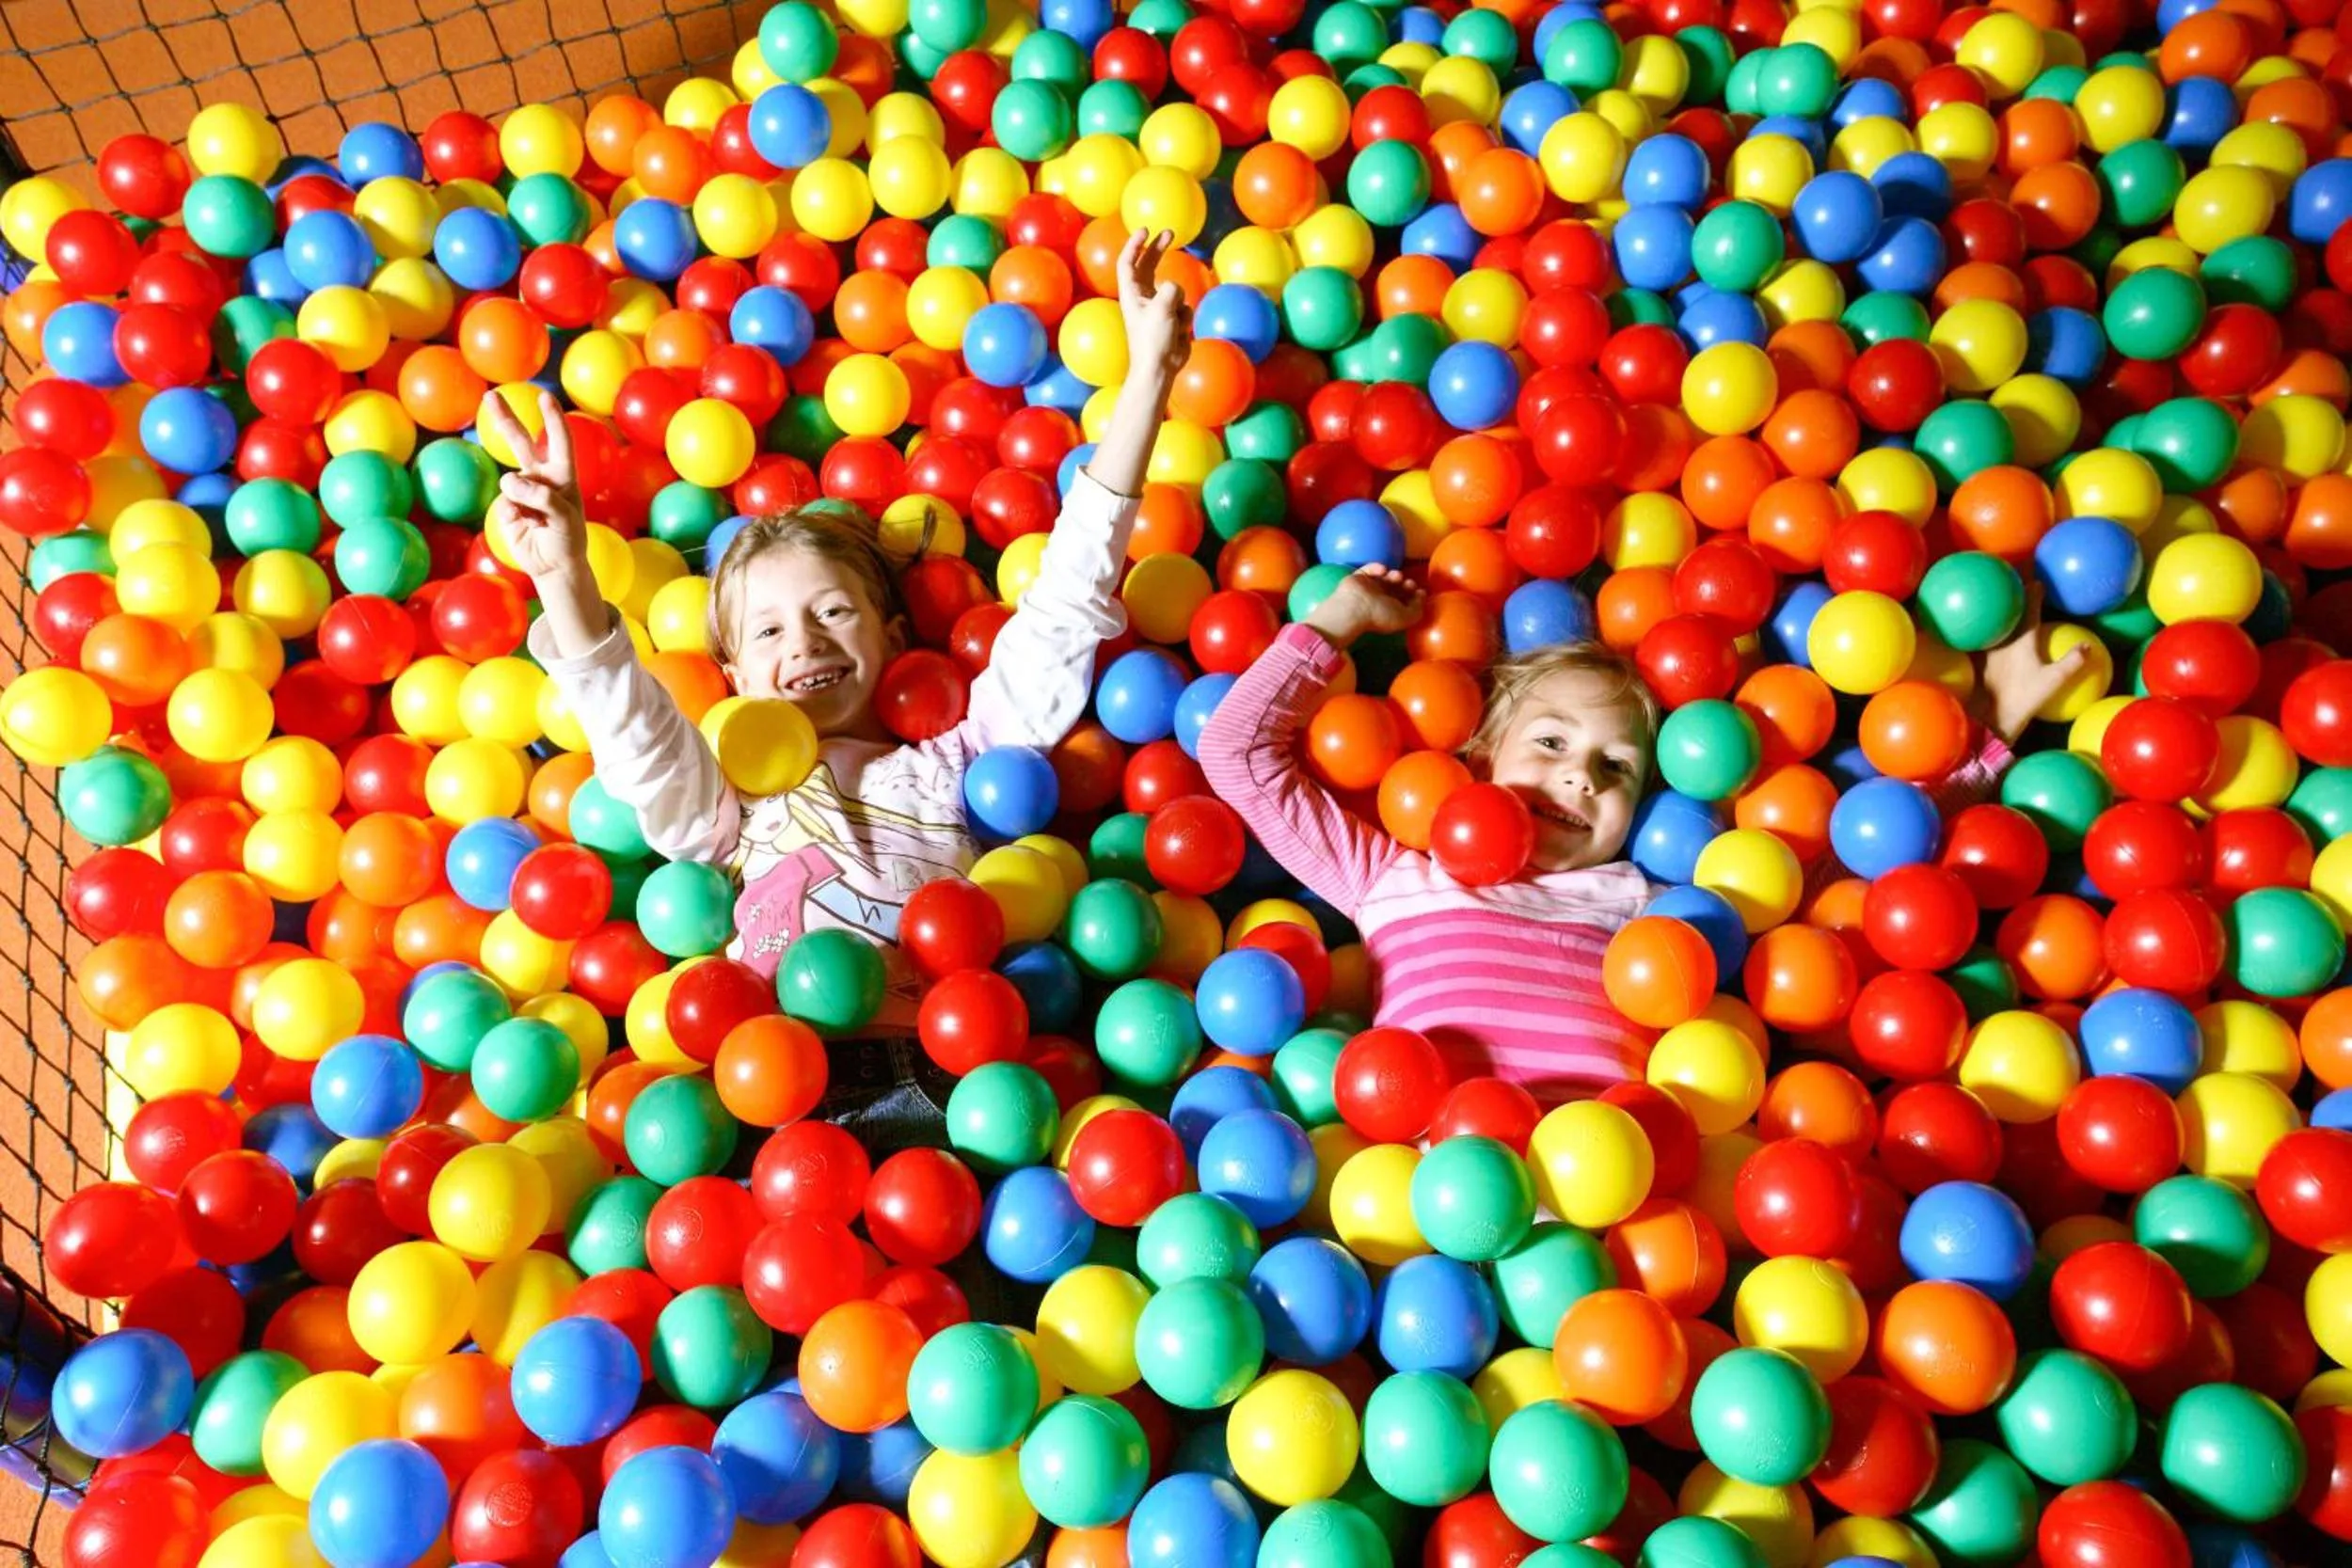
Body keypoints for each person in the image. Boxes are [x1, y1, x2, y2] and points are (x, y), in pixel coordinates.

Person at [482, 228, 1193, 1151]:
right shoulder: (729, 802)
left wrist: (1143, 387)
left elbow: (1062, 609)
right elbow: (635, 733)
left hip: (962, 1088)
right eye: (770, 630)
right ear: (734, 677)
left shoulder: (960, 761)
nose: (805, 639)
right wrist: (563, 574)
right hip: (778, 1093)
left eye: (832, 612)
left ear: (893, 636)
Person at [1198, 562, 2088, 1104]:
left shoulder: (1652, 905)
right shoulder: (1398, 875)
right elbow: (1237, 754)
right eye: (1548, 743)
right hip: (1423, 1199)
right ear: (1479, 753)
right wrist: (1337, 623)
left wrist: (1990, 733)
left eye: (1615, 766)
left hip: (1618, 1213)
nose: (1580, 774)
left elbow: (1855, 874)